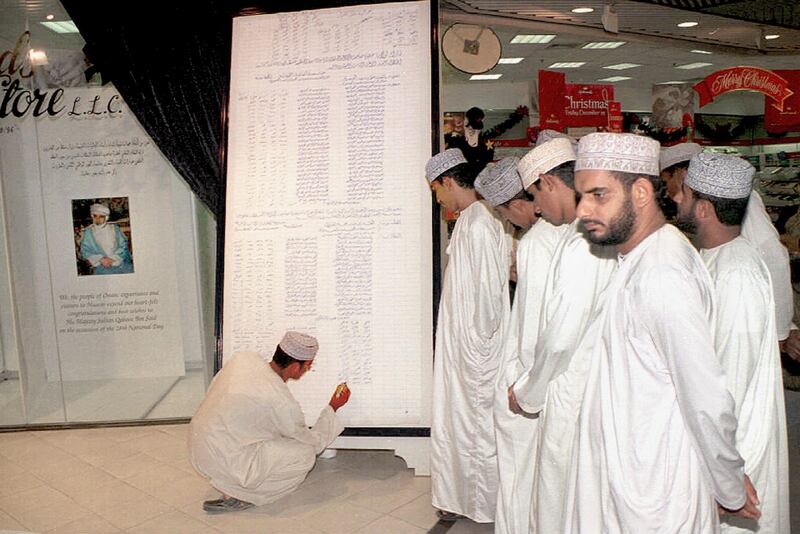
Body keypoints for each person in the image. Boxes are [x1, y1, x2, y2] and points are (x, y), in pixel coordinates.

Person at [565, 132, 759, 533]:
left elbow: (704, 397)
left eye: (598, 195)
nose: (583, 209)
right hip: (629, 474)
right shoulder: (638, 257)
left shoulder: (662, 273)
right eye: (581, 195)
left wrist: (729, 487)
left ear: (640, 192)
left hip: (657, 490)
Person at [674, 152, 790, 533]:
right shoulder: (715, 258)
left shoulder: (737, 273)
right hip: (720, 446)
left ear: (704, 208)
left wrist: (726, 471)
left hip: (739, 450)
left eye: (685, 193)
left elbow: (730, 382)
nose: (676, 198)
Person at [508, 135, 616, 534]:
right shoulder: (591, 233)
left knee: (561, 501)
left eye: (536, 195)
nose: (535, 208)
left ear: (550, 182)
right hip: (588, 388)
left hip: (574, 393)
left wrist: (528, 391)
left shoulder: (584, 241)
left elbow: (559, 337)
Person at [425, 148, 510, 523]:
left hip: (476, 354)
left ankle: (480, 505)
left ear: (447, 181)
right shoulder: (471, 220)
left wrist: (476, 346)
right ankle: (460, 498)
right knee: (460, 426)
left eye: (436, 190)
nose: (438, 198)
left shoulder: (479, 223)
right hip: (466, 350)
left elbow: (489, 297)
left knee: (474, 429)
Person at [661, 143, 799, 360]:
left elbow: (774, 255)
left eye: (665, 181)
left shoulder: (733, 198)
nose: (671, 194)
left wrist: (781, 331)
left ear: (680, 173)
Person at [474, 155, 551, 534]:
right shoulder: (562, 233)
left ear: (518, 203)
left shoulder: (537, 243)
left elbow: (534, 331)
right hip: (548, 381)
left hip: (530, 380)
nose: (509, 223)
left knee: (521, 477)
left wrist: (520, 385)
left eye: (506, 214)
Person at [189, 331, 350, 512]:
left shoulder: (244, 360)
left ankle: (230, 481)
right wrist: (333, 407)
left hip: (201, 449)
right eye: (307, 366)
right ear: (296, 367)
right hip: (226, 459)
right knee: (305, 455)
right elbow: (313, 442)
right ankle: (240, 495)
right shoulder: (280, 400)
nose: (308, 370)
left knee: (279, 440)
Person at [445, 106, 528, 171]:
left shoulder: (483, 140)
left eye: (475, 129)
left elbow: (501, 128)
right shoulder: (456, 141)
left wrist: (517, 117)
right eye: (469, 128)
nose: (471, 131)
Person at [79, 203, 133, 275]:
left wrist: (113, 258)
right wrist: (100, 259)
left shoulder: (115, 228)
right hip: (100, 265)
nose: (97, 219)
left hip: (119, 261)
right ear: (92, 216)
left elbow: (123, 245)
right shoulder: (88, 232)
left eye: (101, 216)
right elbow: (85, 250)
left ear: (106, 217)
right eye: (95, 216)